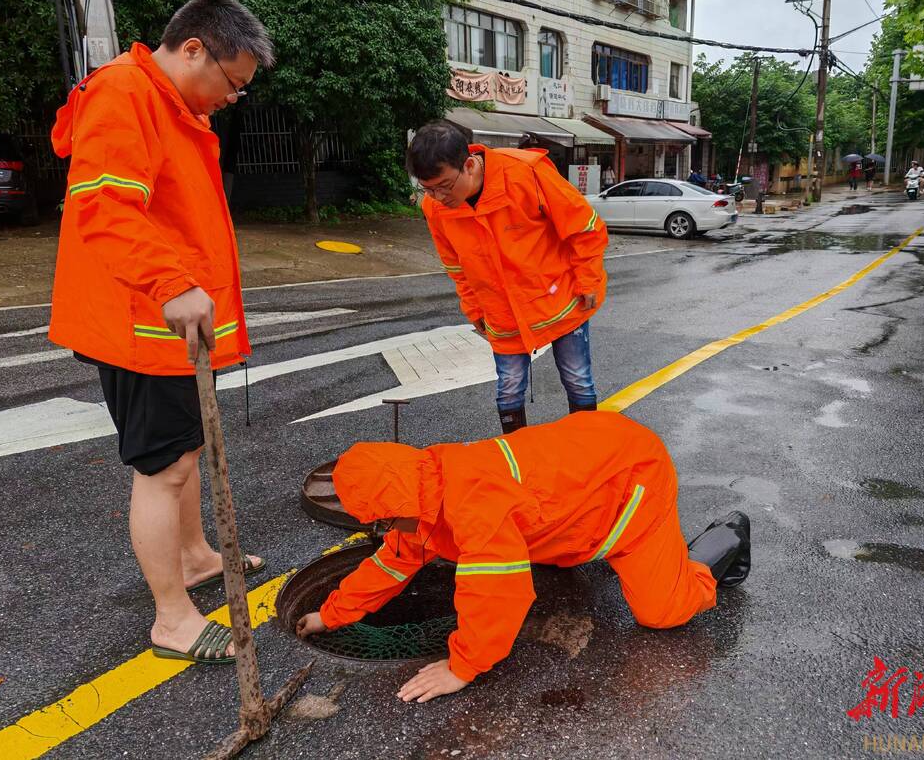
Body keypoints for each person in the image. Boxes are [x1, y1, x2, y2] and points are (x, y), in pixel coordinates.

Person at [48, 0, 274, 664]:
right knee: (163, 468)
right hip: (142, 320)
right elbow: (108, 206)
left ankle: (197, 555)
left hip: (163, 322)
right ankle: (172, 619)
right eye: (231, 84)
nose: (232, 99)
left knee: (186, 450)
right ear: (195, 49)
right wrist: (173, 284)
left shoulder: (170, 103)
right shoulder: (125, 93)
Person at [296, 412, 751, 702]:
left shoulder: (472, 507)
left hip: (631, 483)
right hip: (584, 468)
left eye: (382, 523)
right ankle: (587, 544)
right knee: (549, 550)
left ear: (398, 508)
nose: (384, 533)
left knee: (663, 612)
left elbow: (497, 593)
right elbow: (390, 563)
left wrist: (462, 667)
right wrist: (330, 616)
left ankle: (724, 539)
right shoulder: (421, 494)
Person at [407, 121, 608, 433]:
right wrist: (473, 308)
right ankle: (517, 460)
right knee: (509, 389)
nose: (437, 197)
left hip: (560, 299)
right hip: (501, 311)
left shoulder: (525, 174)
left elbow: (585, 227)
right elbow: (456, 267)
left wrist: (589, 279)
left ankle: (587, 450)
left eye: (444, 186)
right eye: (427, 189)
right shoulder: (436, 208)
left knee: (577, 379)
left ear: (469, 165)